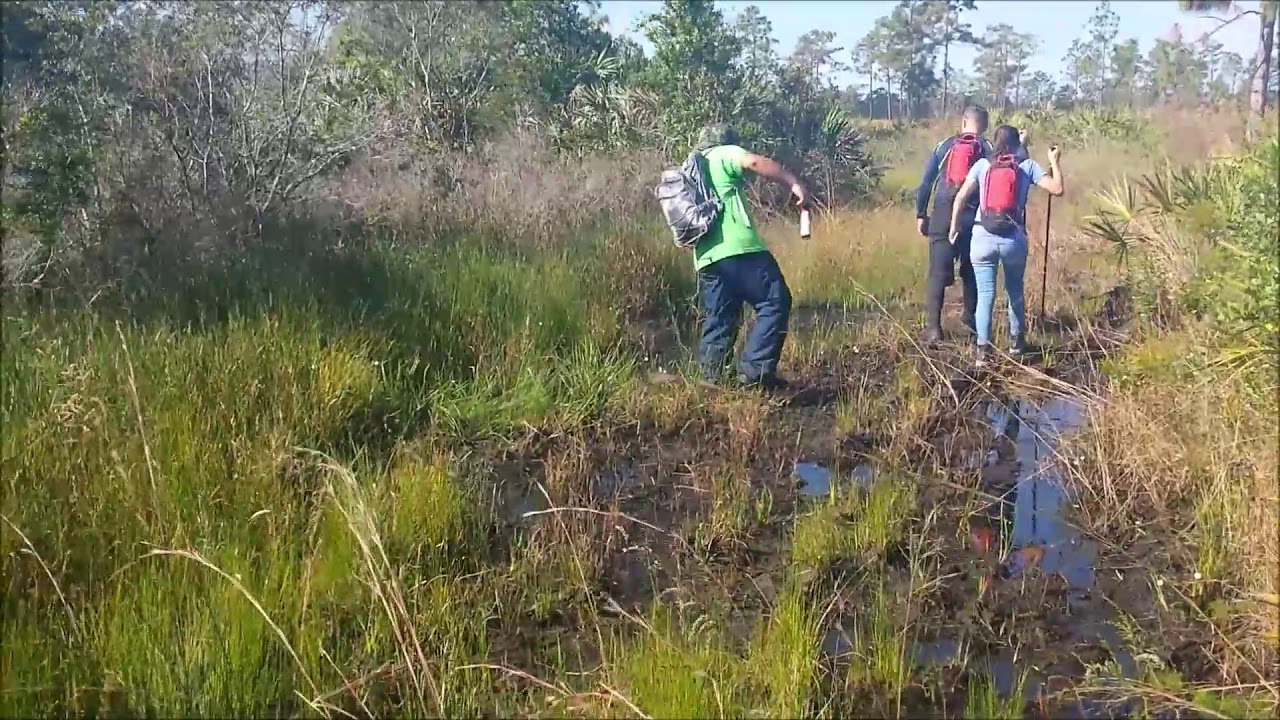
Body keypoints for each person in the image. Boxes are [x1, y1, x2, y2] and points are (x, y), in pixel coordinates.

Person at [692, 122, 809, 390]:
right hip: (740, 249)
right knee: (775, 300)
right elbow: (754, 162)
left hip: (707, 256)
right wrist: (795, 184)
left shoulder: (695, 165)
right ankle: (755, 372)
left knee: (721, 315)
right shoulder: (722, 153)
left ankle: (713, 379)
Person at [947, 125, 1064, 367]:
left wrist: (954, 227)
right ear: (1016, 144)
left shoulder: (982, 165)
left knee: (986, 296)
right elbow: (1057, 189)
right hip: (1013, 240)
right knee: (1014, 292)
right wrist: (1055, 162)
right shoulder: (1026, 166)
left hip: (981, 239)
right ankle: (1017, 347)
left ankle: (982, 353)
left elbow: (960, 198)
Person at [915, 106, 1029, 344]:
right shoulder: (988, 148)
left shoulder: (944, 146)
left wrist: (920, 213)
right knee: (971, 271)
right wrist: (1022, 143)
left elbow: (927, 182)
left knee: (937, 273)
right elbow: (1016, 166)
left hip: (944, 213)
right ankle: (970, 319)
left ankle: (934, 329)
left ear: (964, 121)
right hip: (975, 217)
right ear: (985, 125)